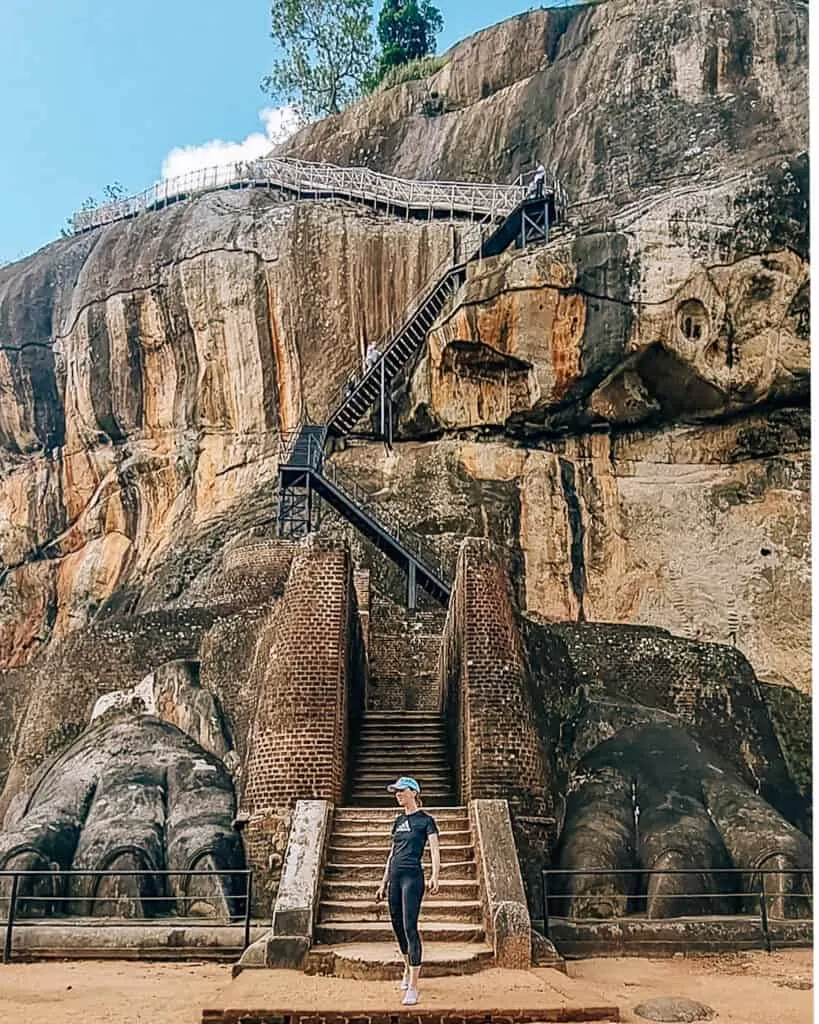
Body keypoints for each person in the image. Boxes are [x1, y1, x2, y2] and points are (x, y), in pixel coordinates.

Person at [375, 776, 440, 1006]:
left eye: (401, 791)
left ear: (413, 792)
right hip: (394, 876)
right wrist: (383, 883)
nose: (398, 795)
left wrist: (435, 875)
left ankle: (413, 986)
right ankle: (406, 968)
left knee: (410, 926)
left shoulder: (426, 821)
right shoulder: (398, 821)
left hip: (413, 877)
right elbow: (391, 853)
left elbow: (434, 849)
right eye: (396, 792)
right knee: (397, 926)